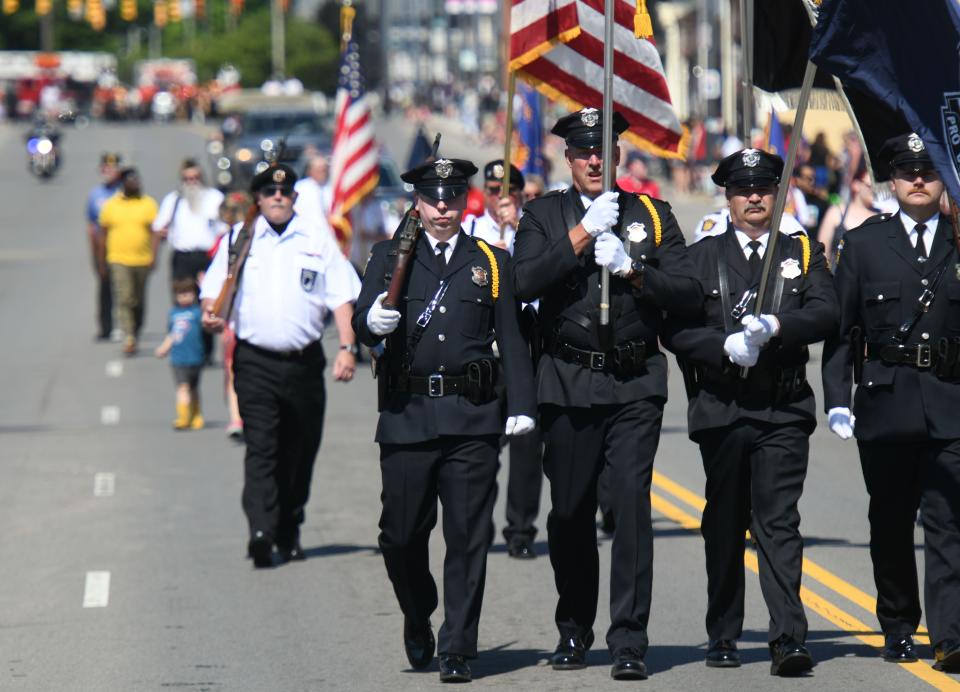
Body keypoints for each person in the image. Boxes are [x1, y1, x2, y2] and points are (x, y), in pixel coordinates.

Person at [512, 107, 700, 680]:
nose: (595, 159)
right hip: (567, 380)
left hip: (634, 380)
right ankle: (574, 627)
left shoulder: (650, 213)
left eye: (604, 149)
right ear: (568, 159)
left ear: (618, 154)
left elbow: (689, 290)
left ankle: (628, 639)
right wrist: (583, 233)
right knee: (569, 510)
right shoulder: (544, 214)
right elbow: (523, 280)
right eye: (584, 151)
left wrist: (634, 270)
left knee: (631, 504)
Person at [353, 155, 536, 683]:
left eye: (452, 196)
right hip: (407, 415)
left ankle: (458, 644)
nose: (442, 206)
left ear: (464, 201)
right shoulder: (389, 257)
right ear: (417, 201)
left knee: (468, 536)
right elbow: (363, 323)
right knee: (400, 535)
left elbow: (513, 341)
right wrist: (372, 321)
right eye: (433, 197)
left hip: (473, 419)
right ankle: (418, 610)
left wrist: (521, 407)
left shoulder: (491, 261)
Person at [663, 148, 839, 676]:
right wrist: (723, 346)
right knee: (724, 521)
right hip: (722, 406)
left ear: (779, 194)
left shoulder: (803, 253)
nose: (755, 197)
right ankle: (723, 631)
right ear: (728, 196)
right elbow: (672, 328)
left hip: (782, 407)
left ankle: (788, 636)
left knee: (778, 521)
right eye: (744, 189)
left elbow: (828, 312)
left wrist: (780, 328)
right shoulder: (701, 256)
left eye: (765, 188)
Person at [822, 133, 960, 673]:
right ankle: (900, 624)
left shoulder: (958, 236)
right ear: (892, 180)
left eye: (927, 171)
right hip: (886, 404)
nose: (919, 180)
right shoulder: (863, 244)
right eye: (907, 172)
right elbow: (842, 331)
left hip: (950, 401)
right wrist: (838, 399)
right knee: (891, 523)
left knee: (949, 523)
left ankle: (949, 634)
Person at [200, 163, 361, 568]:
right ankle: (261, 528)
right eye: (270, 192)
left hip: (304, 363)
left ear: (294, 198)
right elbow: (213, 292)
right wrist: (210, 312)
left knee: (299, 451)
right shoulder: (239, 239)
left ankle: (289, 526)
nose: (278, 197)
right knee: (262, 447)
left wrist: (346, 346)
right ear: (257, 198)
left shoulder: (316, 239)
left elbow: (341, 294)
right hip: (255, 361)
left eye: (285, 192)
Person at [468, 158, 543, 559]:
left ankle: (521, 530)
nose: (501, 198)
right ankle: (477, 526)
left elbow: (541, 283)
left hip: (523, 352)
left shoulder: (531, 231)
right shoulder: (469, 231)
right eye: (494, 191)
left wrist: (516, 232)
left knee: (527, 449)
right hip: (484, 354)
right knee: (479, 449)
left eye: (508, 191)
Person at [98, 167, 160, 356]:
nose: (134, 183)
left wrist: (154, 256)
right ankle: (129, 336)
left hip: (142, 260)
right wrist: (101, 261)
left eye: (136, 180)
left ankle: (136, 328)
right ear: (123, 183)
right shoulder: (111, 205)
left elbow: (155, 232)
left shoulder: (148, 204)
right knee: (124, 298)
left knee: (138, 301)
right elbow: (103, 233)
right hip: (118, 259)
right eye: (130, 180)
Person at [153, 158, 224, 282]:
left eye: (196, 178)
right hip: (182, 258)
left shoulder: (215, 197)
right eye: (188, 179)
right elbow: (158, 228)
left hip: (208, 257)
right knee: (184, 299)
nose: (192, 182)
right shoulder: (173, 199)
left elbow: (224, 229)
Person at [155, 277, 206, 430]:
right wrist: (164, 348)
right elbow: (172, 334)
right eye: (181, 294)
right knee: (182, 387)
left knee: (194, 388)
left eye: (188, 293)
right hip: (178, 358)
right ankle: (183, 417)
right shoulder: (173, 314)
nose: (185, 297)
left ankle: (196, 414)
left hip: (196, 357)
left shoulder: (197, 312)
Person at [87, 152, 123, 341]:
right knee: (104, 287)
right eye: (106, 168)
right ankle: (105, 327)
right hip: (102, 247)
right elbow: (91, 225)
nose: (109, 171)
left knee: (122, 289)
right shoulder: (95, 194)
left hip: (122, 247)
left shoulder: (124, 192)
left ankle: (124, 325)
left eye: (113, 168)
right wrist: (94, 251)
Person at [817, 162, 878, 270]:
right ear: (856, 185)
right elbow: (822, 253)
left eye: (877, 187)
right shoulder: (836, 212)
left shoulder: (881, 218)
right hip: (835, 281)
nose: (874, 190)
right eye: (870, 186)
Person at [293, 154, 334, 240]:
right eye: (318, 169)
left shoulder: (332, 188)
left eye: (324, 169)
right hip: (307, 236)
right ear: (310, 171)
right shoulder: (299, 188)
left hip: (331, 237)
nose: (322, 172)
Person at [793, 163, 830, 237]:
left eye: (814, 178)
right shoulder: (791, 199)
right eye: (809, 178)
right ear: (798, 179)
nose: (812, 182)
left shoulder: (820, 203)